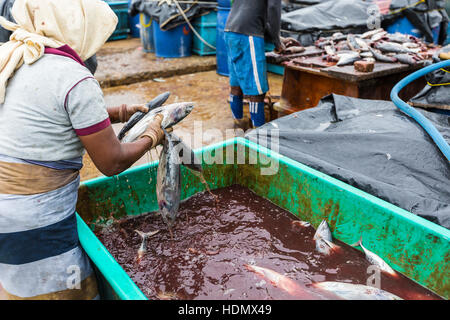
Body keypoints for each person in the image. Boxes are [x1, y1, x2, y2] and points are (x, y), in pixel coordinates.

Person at [0, 0, 165, 300]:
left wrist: (117, 112)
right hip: (35, 218)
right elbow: (111, 162)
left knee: (19, 286)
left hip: (5, 211)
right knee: (63, 290)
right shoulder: (73, 75)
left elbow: (49, 115)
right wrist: (151, 137)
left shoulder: (18, 56)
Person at [224, 0, 285, 129]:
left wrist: (276, 37)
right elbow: (273, 8)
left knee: (236, 85)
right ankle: (258, 133)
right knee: (256, 91)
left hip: (231, 29)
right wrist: (277, 41)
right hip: (248, 34)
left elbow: (252, 9)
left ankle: (238, 124)